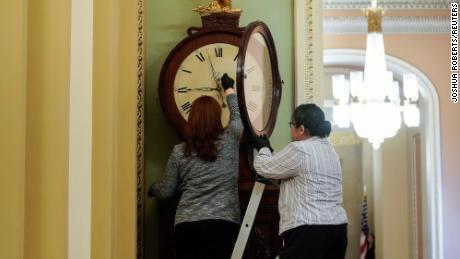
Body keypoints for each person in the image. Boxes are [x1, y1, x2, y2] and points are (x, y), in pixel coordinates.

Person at [149, 74, 243, 259]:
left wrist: (152, 189)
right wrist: (229, 88)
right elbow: (238, 115)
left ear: (191, 119)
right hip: (221, 224)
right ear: (217, 118)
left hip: (186, 225)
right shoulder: (230, 140)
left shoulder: (179, 151)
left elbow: (166, 190)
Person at [250, 103, 348, 259]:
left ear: (301, 129)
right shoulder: (331, 152)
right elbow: (295, 177)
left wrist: (263, 148)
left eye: (291, 124)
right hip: (337, 230)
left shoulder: (300, 149)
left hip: (309, 231)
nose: (291, 128)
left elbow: (263, 167)